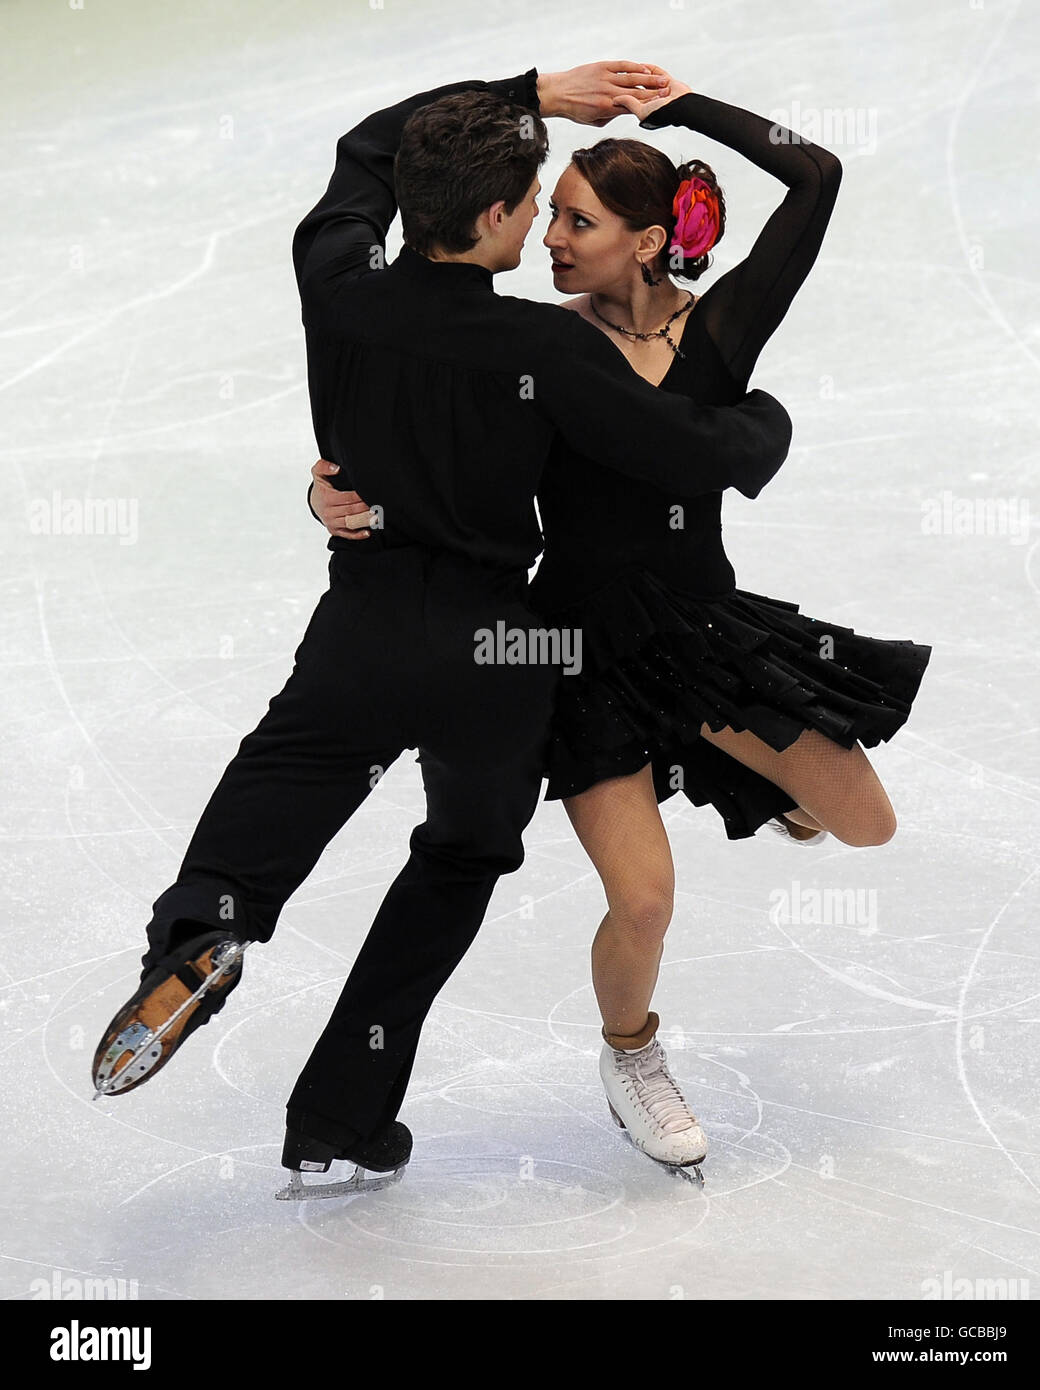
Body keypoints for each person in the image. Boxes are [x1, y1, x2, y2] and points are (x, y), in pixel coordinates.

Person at [92, 61, 794, 1194]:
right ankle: (340, 1111)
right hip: (497, 653)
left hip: (361, 628)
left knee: (273, 795)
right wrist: (763, 420)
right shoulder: (545, 348)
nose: (538, 220)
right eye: (526, 201)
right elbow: (691, 454)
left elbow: (367, 148)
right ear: (487, 218)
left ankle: (201, 935)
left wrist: (528, 93)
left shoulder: (335, 285)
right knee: (461, 853)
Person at [310, 66, 930, 1177]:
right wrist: (330, 493)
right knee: (643, 900)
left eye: (578, 220)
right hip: (580, 652)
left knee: (867, 825)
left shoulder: (723, 332)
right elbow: (427, 447)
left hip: (702, 636)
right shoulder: (539, 350)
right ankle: (630, 1053)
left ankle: (732, 765)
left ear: (646, 243)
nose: (549, 234)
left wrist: (681, 108)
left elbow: (815, 171)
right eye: (548, 213)